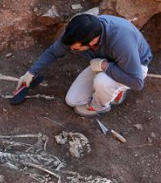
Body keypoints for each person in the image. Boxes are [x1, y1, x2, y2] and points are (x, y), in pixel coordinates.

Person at [16, 14, 152, 116]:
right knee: (72, 101)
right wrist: (31, 73)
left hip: (134, 68)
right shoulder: (78, 32)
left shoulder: (121, 42)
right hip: (102, 62)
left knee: (102, 82)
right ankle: (112, 89)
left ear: (92, 42)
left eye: (75, 49)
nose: (71, 50)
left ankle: (102, 106)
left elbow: (137, 83)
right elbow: (54, 52)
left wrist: (105, 66)